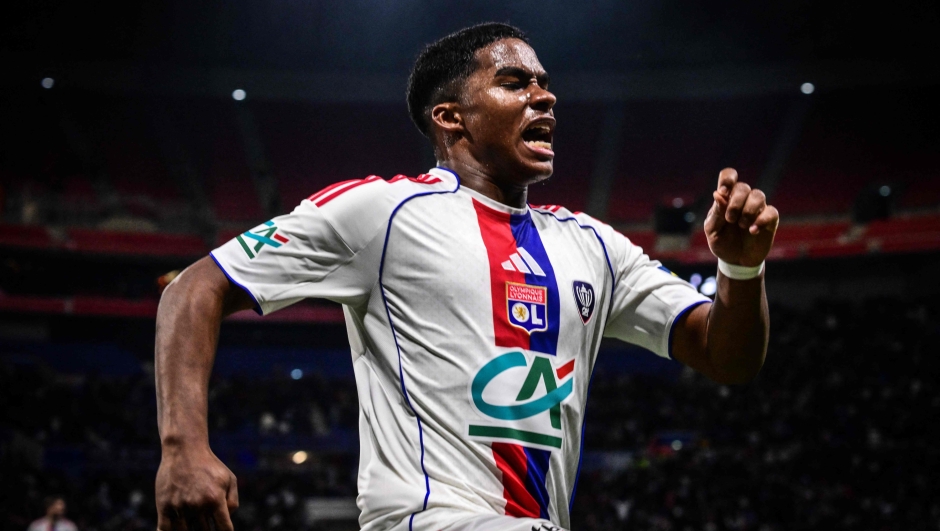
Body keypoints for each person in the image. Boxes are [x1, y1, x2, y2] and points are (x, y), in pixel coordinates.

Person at [154, 23, 779, 531]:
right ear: (451, 118)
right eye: (515, 83)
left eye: (544, 84)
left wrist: (741, 267)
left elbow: (727, 356)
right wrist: (184, 449)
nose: (545, 96)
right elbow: (194, 288)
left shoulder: (593, 245)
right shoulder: (382, 212)